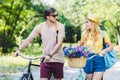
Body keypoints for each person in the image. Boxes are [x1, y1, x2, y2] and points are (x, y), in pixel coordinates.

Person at [14, 7, 65, 80]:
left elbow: (59, 43)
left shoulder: (60, 26)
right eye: (54, 16)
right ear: (47, 17)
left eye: (56, 15)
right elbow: (29, 39)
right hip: (45, 59)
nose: (56, 17)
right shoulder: (40, 27)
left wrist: (50, 55)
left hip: (57, 59)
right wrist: (19, 50)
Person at [78, 15, 113, 80]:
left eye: (87, 22)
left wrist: (103, 51)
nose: (85, 24)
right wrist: (79, 47)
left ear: (93, 23)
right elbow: (80, 47)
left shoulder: (103, 34)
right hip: (88, 59)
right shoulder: (84, 34)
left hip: (99, 59)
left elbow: (111, 47)